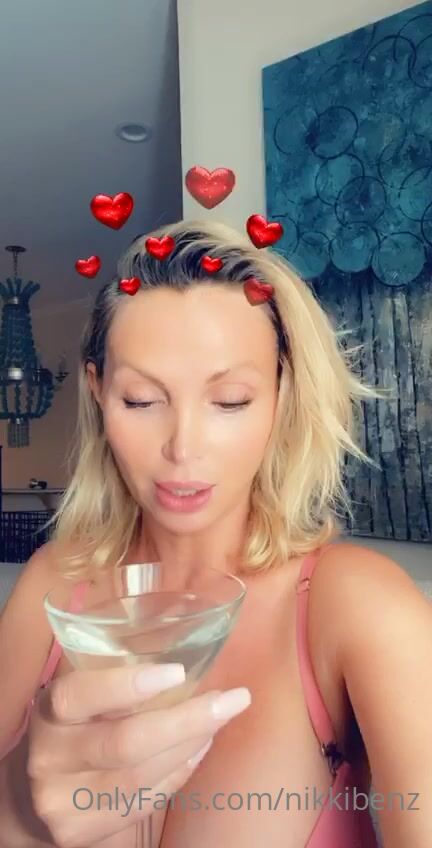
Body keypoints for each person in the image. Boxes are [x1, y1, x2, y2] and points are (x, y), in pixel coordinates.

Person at [0, 218, 431, 848]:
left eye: (229, 400)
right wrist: (18, 806)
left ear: (283, 394)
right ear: (97, 392)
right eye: (141, 400)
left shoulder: (358, 606)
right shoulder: (54, 582)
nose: (183, 448)